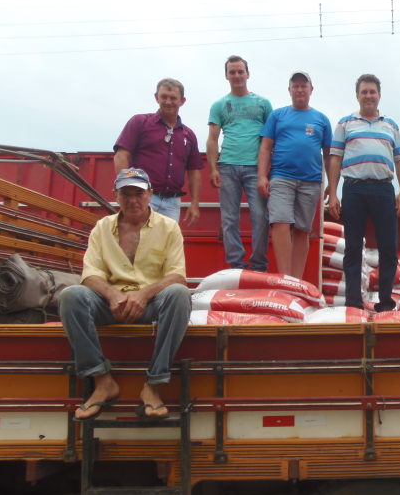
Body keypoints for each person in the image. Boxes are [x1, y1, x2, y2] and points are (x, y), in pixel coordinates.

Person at [60, 168, 191, 422]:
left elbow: (177, 275)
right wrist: (111, 295)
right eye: (126, 193)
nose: (133, 199)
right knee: (71, 296)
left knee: (179, 294)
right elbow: (90, 274)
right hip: (110, 304)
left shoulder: (169, 227)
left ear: (150, 194)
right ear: (115, 196)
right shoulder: (102, 227)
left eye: (139, 193)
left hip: (151, 304)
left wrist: (144, 295)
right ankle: (102, 380)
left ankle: (153, 384)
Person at [327, 74, 400, 312]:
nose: (368, 95)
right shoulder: (345, 123)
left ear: (379, 96)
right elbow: (335, 159)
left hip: (384, 190)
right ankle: (353, 302)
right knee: (352, 247)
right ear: (357, 96)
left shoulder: (391, 125)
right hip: (353, 189)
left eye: (372, 91)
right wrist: (333, 194)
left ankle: (385, 302)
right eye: (364, 92)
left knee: (388, 248)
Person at [257, 71, 333, 278]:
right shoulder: (277, 115)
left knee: (302, 230)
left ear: (311, 89)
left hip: (311, 181)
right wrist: (262, 176)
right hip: (281, 177)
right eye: (295, 86)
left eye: (304, 85)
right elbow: (265, 147)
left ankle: (295, 281)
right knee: (280, 223)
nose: (300, 89)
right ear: (289, 90)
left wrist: (333, 187)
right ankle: (284, 278)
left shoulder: (321, 119)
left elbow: (329, 155)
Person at [207, 56, 273, 271]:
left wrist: (268, 171)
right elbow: (212, 139)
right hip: (227, 166)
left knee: (260, 218)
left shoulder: (263, 103)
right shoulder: (219, 105)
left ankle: (258, 264)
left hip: (256, 169)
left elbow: (271, 137)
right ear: (226, 75)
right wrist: (212, 168)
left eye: (240, 71)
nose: (237, 76)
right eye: (232, 72)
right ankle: (235, 264)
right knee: (229, 219)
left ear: (248, 74)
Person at [113, 78, 204, 227]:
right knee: (138, 243)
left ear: (182, 101)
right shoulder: (140, 122)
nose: (168, 102)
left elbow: (194, 172)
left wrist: (195, 204)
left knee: (166, 247)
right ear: (156, 97)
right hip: (142, 197)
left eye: (173, 98)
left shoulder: (189, 135)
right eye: (164, 97)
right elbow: (121, 156)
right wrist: (127, 189)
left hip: (173, 203)